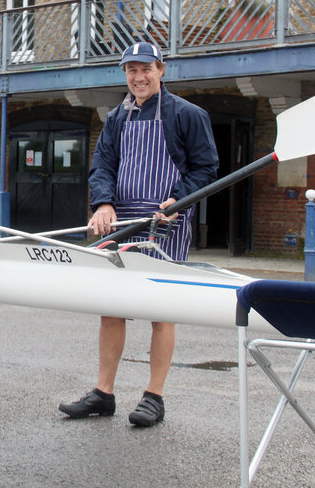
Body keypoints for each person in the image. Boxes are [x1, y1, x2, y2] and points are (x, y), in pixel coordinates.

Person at [59, 42, 219, 427]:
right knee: (111, 306)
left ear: (161, 69)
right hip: (120, 219)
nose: (138, 77)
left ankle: (154, 397)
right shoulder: (117, 117)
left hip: (167, 220)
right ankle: (103, 393)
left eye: (145, 69)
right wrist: (103, 203)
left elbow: (206, 168)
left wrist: (177, 200)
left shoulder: (187, 115)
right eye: (131, 70)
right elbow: (103, 165)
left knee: (160, 310)